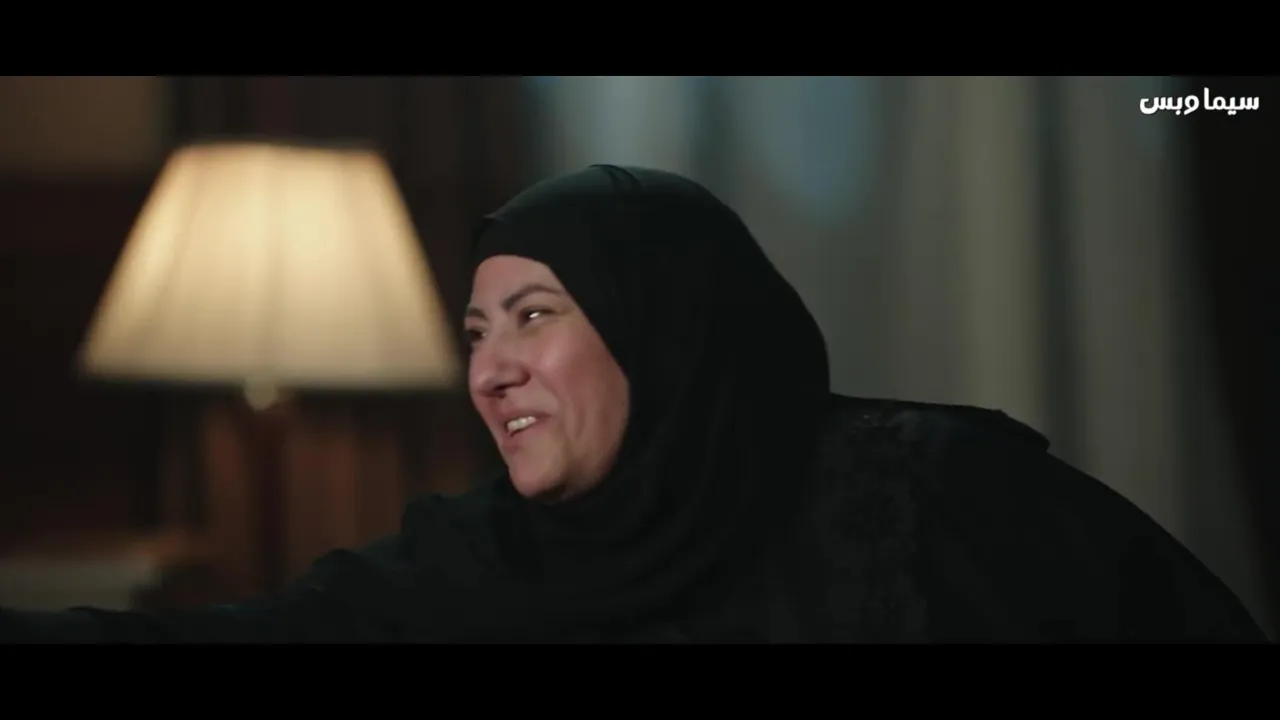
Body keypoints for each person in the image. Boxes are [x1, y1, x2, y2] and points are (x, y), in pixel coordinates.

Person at [0, 165, 1268, 643]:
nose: (489, 370)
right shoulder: (473, 558)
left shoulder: (932, 493)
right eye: (474, 335)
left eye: (534, 315)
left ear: (668, 331)